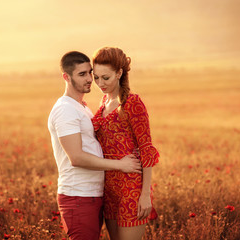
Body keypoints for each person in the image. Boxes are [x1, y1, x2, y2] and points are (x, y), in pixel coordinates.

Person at [48, 51, 142, 240]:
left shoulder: (81, 106)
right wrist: (120, 164)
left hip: (92, 195)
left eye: (90, 72)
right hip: (78, 197)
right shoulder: (65, 109)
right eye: (82, 74)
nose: (90, 79)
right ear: (66, 77)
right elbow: (77, 157)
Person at [91, 47, 160, 240]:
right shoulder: (103, 102)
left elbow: (147, 150)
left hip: (131, 188)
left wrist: (145, 195)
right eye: (96, 77)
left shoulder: (132, 102)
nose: (99, 83)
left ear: (119, 73)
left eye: (105, 77)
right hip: (108, 188)